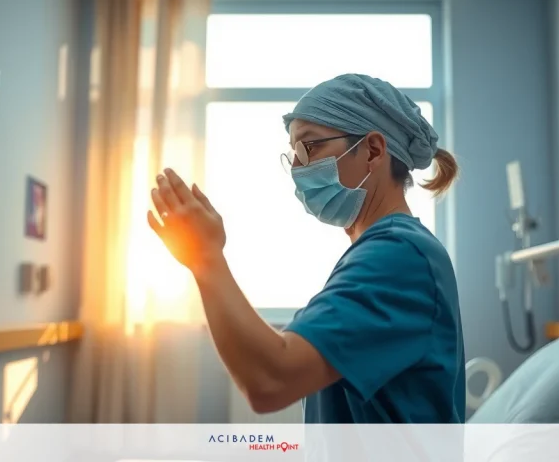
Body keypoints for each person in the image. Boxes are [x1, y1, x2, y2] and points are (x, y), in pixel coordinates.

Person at [147, 73, 465, 424]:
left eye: (309, 147)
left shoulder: (399, 256)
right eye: (293, 153)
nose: (297, 168)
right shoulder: (384, 252)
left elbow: (271, 379)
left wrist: (206, 259)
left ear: (373, 151)